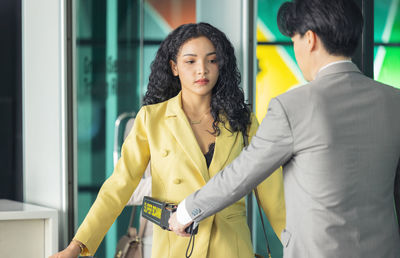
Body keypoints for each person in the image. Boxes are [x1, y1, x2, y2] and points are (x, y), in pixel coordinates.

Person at [169, 1, 400, 257]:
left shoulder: (293, 106)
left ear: (309, 39)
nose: (296, 48)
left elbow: (242, 174)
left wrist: (187, 211)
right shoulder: (394, 101)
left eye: (294, 39)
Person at [50, 22, 286, 258]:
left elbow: (272, 194)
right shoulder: (152, 119)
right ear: (174, 67)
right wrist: (77, 245)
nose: (202, 70)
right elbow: (118, 187)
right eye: (190, 61)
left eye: (211, 60)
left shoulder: (242, 121)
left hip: (231, 249)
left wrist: (301, 246)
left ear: (221, 65)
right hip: (176, 248)